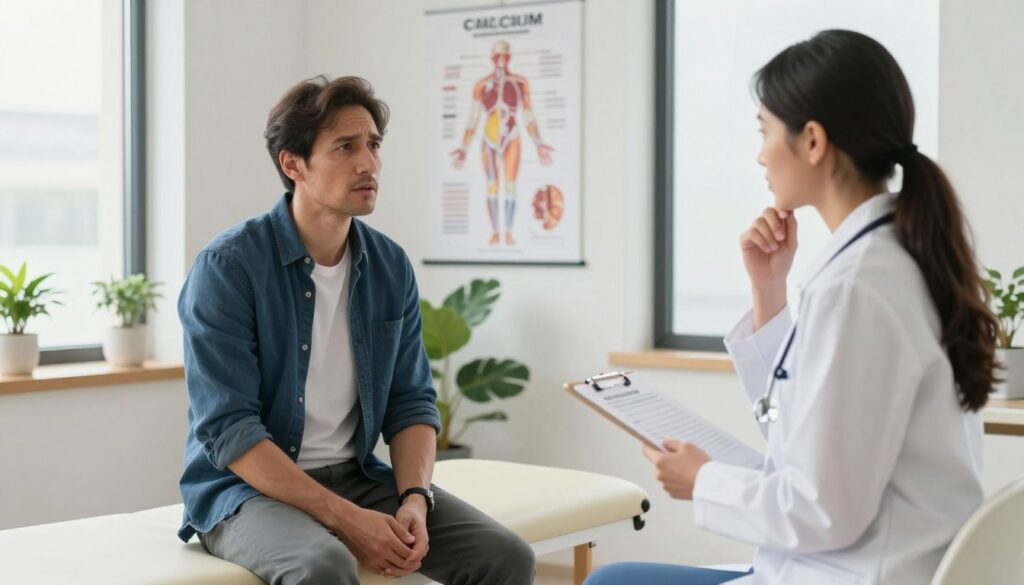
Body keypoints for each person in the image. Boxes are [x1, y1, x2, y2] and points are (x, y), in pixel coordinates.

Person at [587, 30, 999, 585]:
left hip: (855, 571)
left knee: (612, 582)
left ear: (812, 141)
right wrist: (769, 290)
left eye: (765, 131)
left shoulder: (858, 286)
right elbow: (807, 421)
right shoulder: (898, 256)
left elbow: (824, 513)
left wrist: (703, 481)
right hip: (874, 563)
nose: (759, 154)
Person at [176, 75, 535, 585]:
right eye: (346, 147)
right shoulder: (228, 268)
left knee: (504, 556)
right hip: (244, 492)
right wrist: (343, 518)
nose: (368, 162)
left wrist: (415, 498)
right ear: (293, 164)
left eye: (373, 145)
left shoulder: (390, 265)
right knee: (324, 566)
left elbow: (410, 401)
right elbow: (229, 431)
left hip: (358, 478)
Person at [450, 39, 555, 246]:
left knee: (510, 185)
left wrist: (538, 142)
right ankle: (496, 232)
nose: (500, 60)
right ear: (492, 58)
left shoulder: (520, 83)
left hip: (511, 135)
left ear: (509, 58)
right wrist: (463, 147)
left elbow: (527, 114)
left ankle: (507, 231)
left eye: (504, 56)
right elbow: (473, 117)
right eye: (497, 56)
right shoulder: (482, 85)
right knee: (491, 185)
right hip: (488, 139)